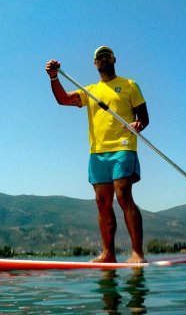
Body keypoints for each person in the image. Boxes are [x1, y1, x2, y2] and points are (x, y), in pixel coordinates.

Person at [45, 46, 149, 263]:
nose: (103, 59)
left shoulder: (130, 85)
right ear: (95, 64)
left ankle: (137, 253)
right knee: (102, 202)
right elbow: (63, 99)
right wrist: (54, 78)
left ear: (114, 59)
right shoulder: (90, 91)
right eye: (99, 57)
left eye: (106, 55)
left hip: (123, 147)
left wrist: (138, 124)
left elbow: (144, 118)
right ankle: (108, 254)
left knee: (122, 194)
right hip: (97, 152)